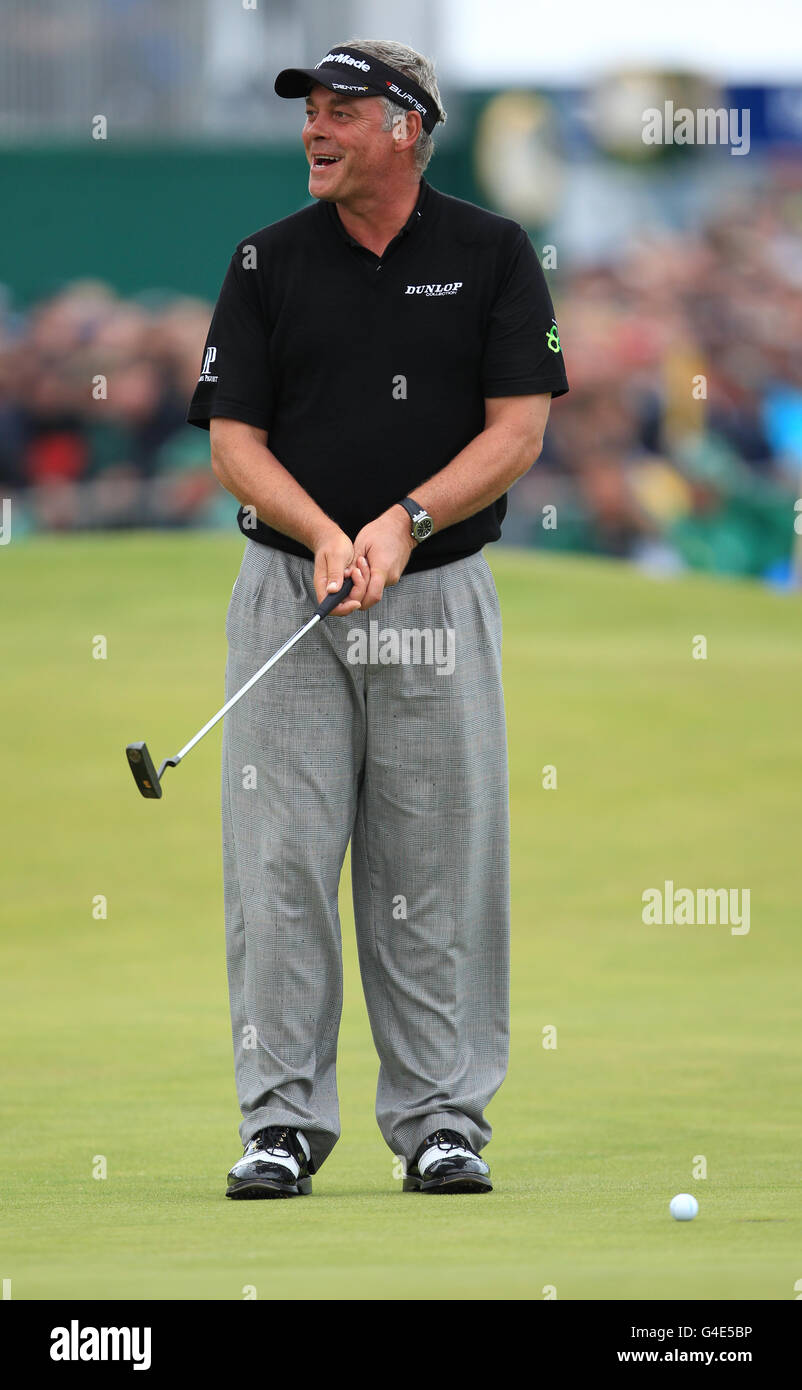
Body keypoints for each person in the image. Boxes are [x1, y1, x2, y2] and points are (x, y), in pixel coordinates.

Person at [187, 38, 569, 1199]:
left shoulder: (492, 252)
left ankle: (442, 1119)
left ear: (407, 126)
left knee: (437, 862)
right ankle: (281, 1121)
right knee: (280, 864)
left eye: (342, 112)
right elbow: (232, 440)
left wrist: (403, 518)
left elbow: (517, 431)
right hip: (288, 592)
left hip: (438, 592)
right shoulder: (266, 262)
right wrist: (321, 532)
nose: (315, 129)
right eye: (310, 111)